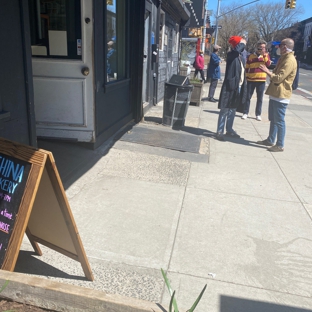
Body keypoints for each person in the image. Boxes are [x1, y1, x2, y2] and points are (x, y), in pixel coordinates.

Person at [257, 38, 297, 152]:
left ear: (285, 47)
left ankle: (280, 145)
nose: (278, 48)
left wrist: (267, 71)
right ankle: (270, 140)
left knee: (279, 121)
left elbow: (279, 78)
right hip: (275, 93)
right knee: (273, 119)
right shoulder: (284, 58)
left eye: (280, 45)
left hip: (281, 95)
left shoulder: (289, 60)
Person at [215, 36, 247, 141]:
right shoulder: (231, 55)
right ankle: (220, 131)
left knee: (233, 109)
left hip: (238, 86)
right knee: (225, 109)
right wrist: (242, 43)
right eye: (241, 43)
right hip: (230, 86)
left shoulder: (240, 57)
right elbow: (237, 49)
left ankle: (229, 129)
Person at [242, 40, 271, 121]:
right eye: (260, 47)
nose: (262, 49)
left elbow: (268, 64)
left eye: (264, 47)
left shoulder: (266, 56)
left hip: (261, 80)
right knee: (248, 97)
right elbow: (247, 67)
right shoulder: (251, 56)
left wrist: (264, 55)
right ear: (257, 47)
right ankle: (245, 112)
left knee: (260, 98)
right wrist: (247, 77)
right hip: (251, 80)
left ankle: (258, 114)